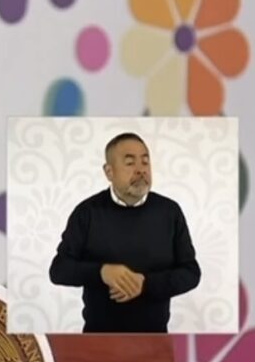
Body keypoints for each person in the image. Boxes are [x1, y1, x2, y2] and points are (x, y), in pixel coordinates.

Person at [48, 132, 200, 333]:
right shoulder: (87, 212)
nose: (141, 170)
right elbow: (59, 270)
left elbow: (191, 273)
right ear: (109, 172)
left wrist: (145, 284)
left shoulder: (169, 212)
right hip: (98, 337)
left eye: (145, 162)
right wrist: (101, 272)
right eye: (130, 163)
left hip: (154, 337)